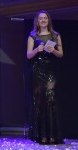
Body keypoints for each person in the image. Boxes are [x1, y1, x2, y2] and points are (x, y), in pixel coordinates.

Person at [26, 10, 63, 145]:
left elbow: (61, 54)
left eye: (45, 18)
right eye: (40, 18)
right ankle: (40, 135)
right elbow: (28, 55)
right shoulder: (33, 36)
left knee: (50, 99)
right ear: (37, 21)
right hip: (37, 70)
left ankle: (52, 135)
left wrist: (53, 50)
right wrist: (37, 50)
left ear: (48, 20)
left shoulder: (56, 35)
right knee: (39, 101)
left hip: (50, 70)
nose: (43, 20)